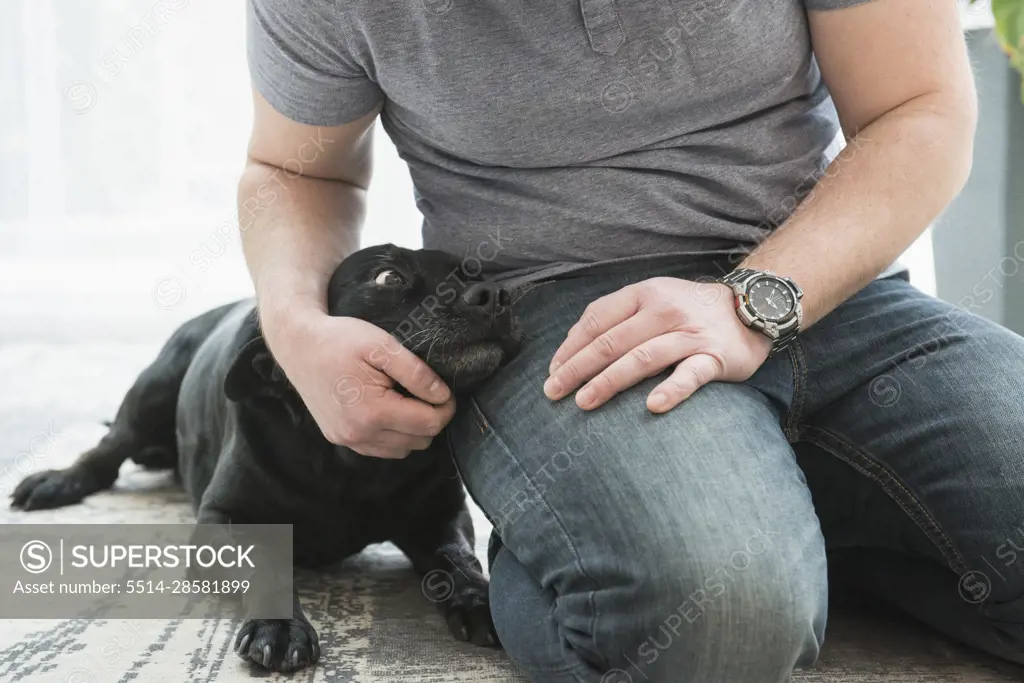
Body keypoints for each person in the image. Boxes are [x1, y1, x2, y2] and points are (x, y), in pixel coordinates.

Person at [237, 0, 1023, 680]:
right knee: (712, 627)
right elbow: (297, 169)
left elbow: (918, 105)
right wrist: (298, 329)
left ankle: (791, 531)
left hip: (822, 277)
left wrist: (750, 302)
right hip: (548, 314)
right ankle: (585, 552)